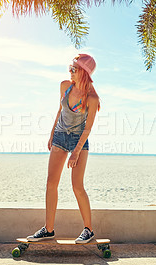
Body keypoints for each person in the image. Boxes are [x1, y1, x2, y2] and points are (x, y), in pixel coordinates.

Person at [27, 54, 100, 244]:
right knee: (51, 182)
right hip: (60, 136)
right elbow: (60, 110)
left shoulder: (92, 98)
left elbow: (88, 128)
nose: (70, 71)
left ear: (84, 73)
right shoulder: (65, 86)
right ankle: (48, 229)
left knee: (77, 186)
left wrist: (75, 152)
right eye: (70, 67)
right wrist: (52, 134)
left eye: (74, 69)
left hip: (79, 140)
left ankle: (88, 230)